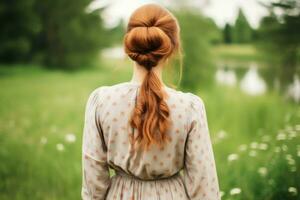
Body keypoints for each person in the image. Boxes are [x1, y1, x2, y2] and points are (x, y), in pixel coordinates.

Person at [81, 3, 221, 200]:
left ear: (129, 44)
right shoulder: (190, 107)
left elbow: (93, 182)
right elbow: (204, 186)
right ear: (173, 47)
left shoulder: (101, 101)